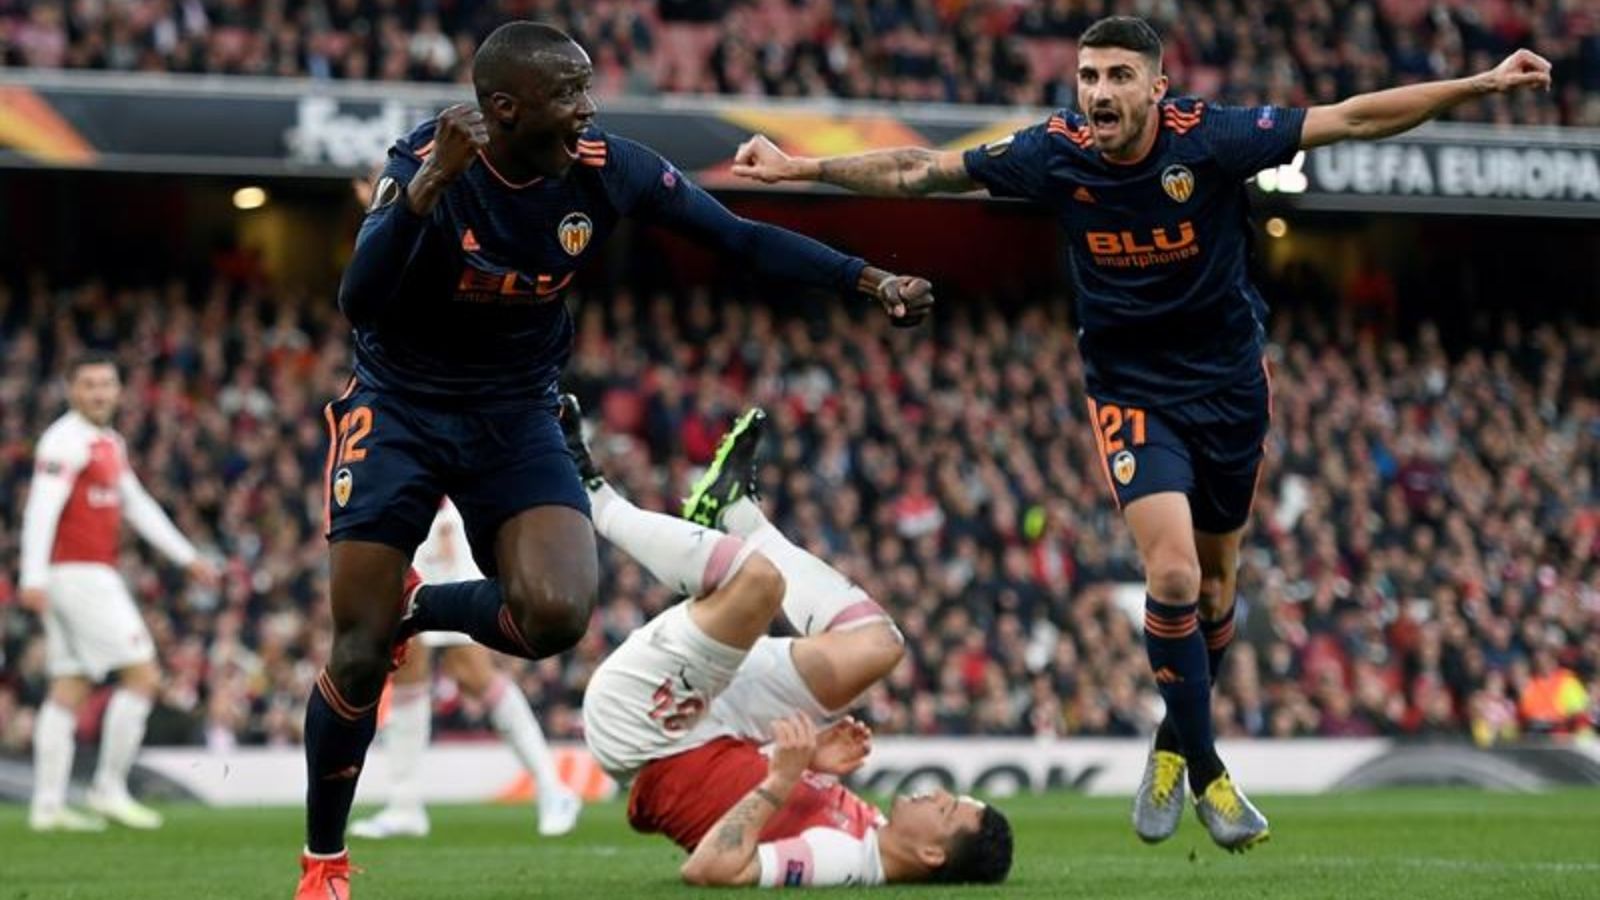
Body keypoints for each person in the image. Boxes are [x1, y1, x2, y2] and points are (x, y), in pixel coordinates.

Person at [728, 15, 1553, 851]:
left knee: (1220, 590)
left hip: (1230, 388)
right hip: (1130, 390)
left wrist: (1480, 85)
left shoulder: (1214, 140)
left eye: (1119, 76)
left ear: (1158, 88)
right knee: (1172, 572)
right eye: (1088, 76)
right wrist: (804, 167)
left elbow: (1353, 117)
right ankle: (1209, 772)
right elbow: (921, 169)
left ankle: (1171, 743)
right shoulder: (1054, 151)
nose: (1099, 93)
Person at [301, 19, 935, 898]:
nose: (587, 112)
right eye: (568, 96)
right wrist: (423, 192)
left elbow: (739, 238)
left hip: (516, 413)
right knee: (359, 651)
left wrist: (871, 281)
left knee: (555, 616)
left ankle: (423, 605)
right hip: (399, 409)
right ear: (505, 109)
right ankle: (324, 863)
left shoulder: (607, 168)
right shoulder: (427, 161)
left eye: (587, 91)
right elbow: (359, 301)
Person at [566, 397, 1013, 887]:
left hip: (649, 730)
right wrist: (810, 757)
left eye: (945, 810)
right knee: (878, 644)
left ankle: (591, 496)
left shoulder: (844, 860)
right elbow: (747, 792)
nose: (934, 794)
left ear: (931, 853)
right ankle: (735, 513)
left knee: (757, 583)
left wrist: (783, 777)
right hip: (719, 727)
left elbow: (709, 870)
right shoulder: (871, 832)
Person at [19, 353, 219, 832]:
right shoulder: (64, 441)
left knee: (69, 686)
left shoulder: (108, 442)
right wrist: (31, 577)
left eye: (107, 384)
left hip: (81, 574)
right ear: (71, 390)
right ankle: (108, 788)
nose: (100, 393)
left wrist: (186, 556)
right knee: (143, 676)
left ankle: (47, 807)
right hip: (79, 575)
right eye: (89, 385)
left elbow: (137, 504)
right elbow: (41, 509)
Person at [348, 499, 582, 841]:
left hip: (438, 516)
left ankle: (553, 788)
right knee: (407, 660)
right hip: (406, 518)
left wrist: (441, 508)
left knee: (470, 669)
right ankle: (405, 804)